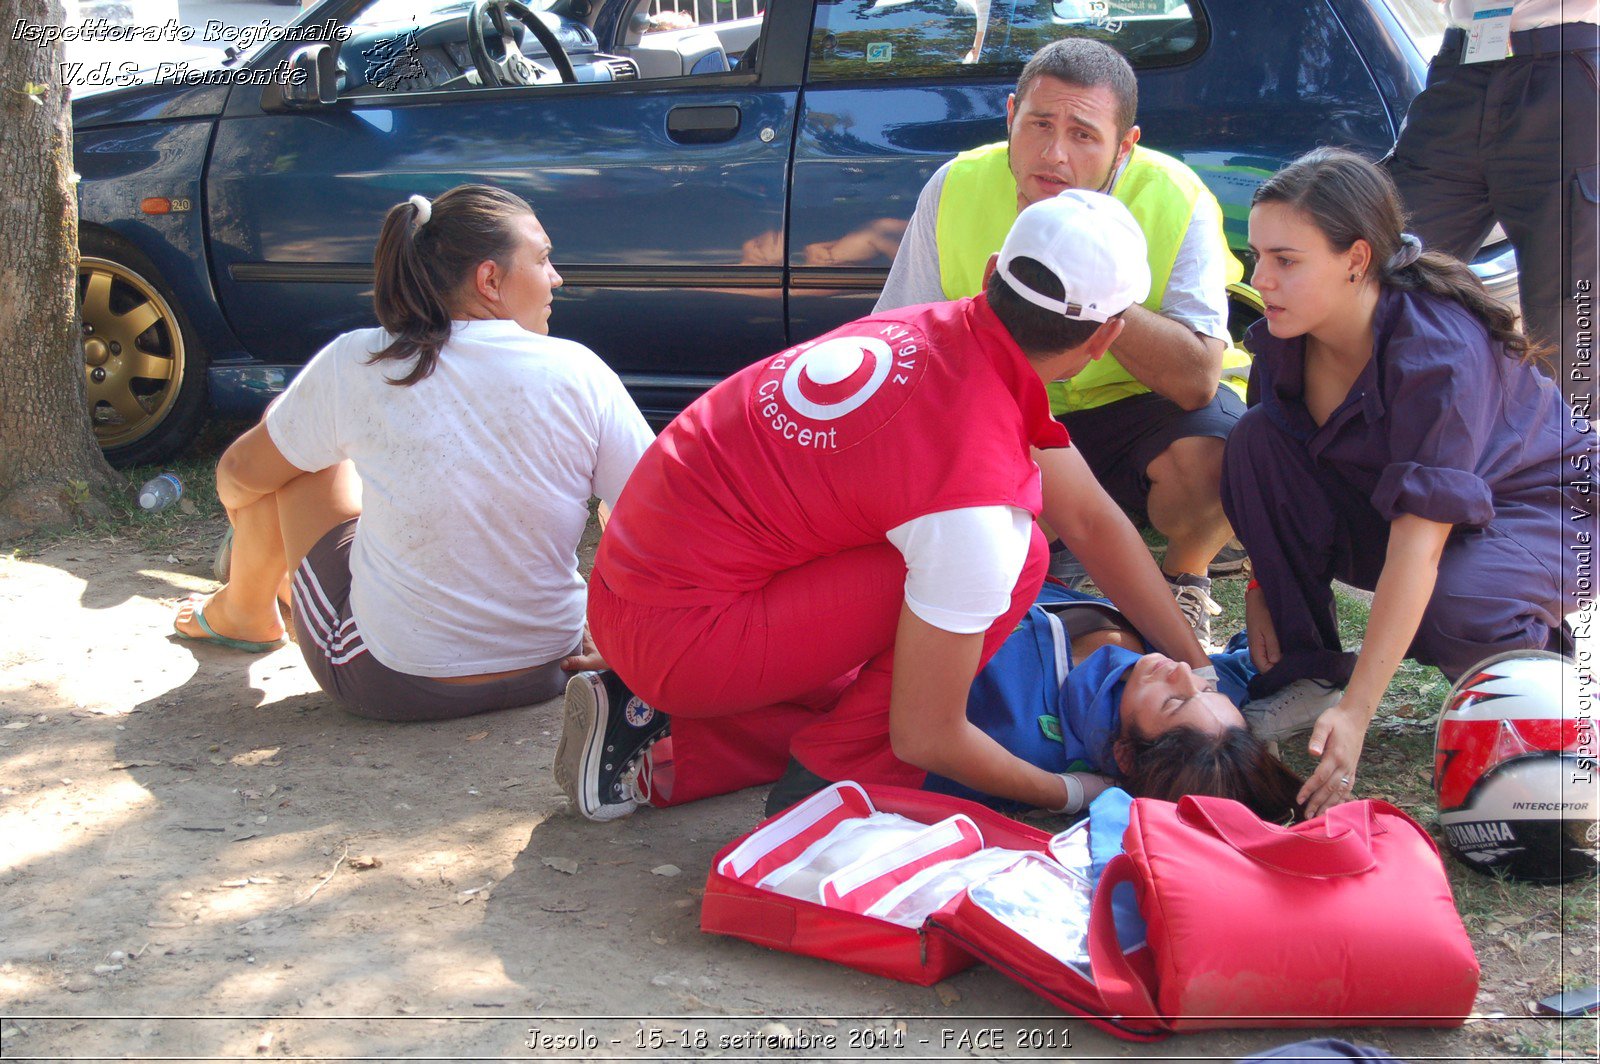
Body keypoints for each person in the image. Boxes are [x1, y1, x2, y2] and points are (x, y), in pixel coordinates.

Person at [556, 190, 1215, 823]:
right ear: (1105, 340)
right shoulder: (980, 506)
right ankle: (827, 783)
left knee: (937, 595)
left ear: (992, 274)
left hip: (627, 590)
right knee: (1010, 569)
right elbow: (925, 736)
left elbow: (1092, 518)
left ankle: (663, 727)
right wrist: (1067, 792)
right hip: (677, 637)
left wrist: (1202, 666)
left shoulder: (939, 330)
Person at [173, 185, 654, 722]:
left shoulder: (362, 360)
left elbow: (238, 476)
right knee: (307, 435)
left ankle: (242, 608)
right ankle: (262, 596)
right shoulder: (582, 370)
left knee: (291, 438)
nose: (557, 277)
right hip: (550, 667)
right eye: (543, 259)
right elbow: (661, 517)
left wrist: (246, 515)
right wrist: (627, 645)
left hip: (391, 680)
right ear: (489, 280)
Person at [1224, 148, 1594, 818]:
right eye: (1256, 257)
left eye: (1286, 260)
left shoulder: (1437, 351)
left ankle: (1537, 681)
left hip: (1546, 507)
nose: (1263, 279)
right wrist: (1261, 583)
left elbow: (1417, 548)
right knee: (1252, 441)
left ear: (1356, 260)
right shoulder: (1285, 334)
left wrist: (1362, 712)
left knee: (1447, 605)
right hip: (1437, 515)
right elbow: (1272, 475)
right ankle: (1309, 672)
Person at [873, 37, 1249, 642]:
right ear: (1010, 115)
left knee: (1224, 457)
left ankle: (1187, 575)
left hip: (1138, 403)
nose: (1053, 153)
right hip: (1012, 406)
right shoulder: (957, 184)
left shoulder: (1176, 195)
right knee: (994, 564)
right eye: (1038, 124)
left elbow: (1197, 378)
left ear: (1126, 145)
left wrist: (1084, 270)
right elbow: (899, 340)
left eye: (1083, 134)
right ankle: (1049, 556)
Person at [896, 591, 1304, 823]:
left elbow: (917, 738)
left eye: (1175, 701)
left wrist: (1068, 793)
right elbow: (1258, 660)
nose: (1184, 669)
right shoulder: (1194, 709)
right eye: (1209, 691)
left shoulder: (1016, 738)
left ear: (1124, 755)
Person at [1387, 0, 1597, 416]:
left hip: (1563, 67)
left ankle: (1566, 469)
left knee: (1570, 323)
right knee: (1381, 269)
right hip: (1463, 65)